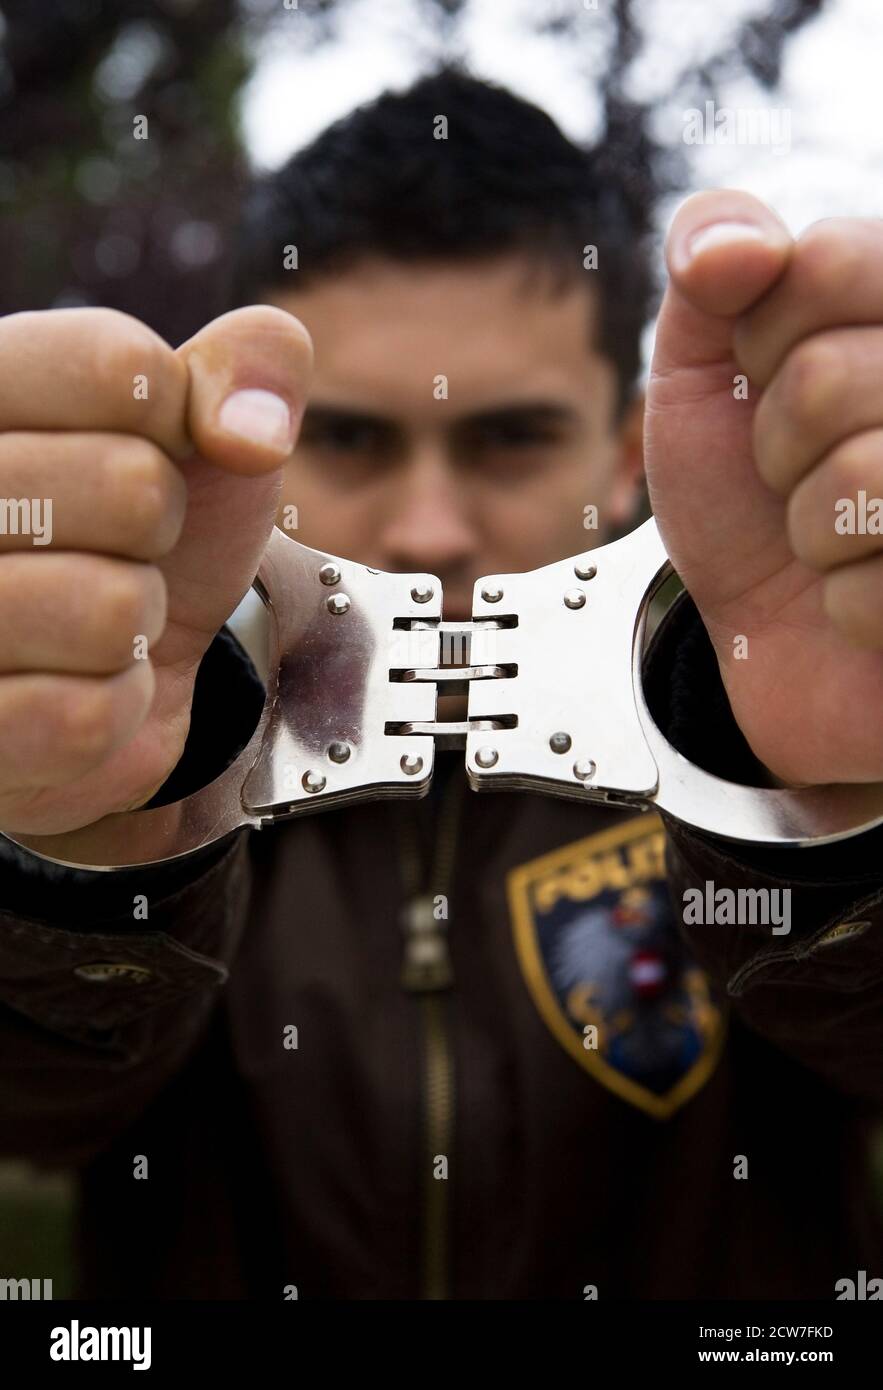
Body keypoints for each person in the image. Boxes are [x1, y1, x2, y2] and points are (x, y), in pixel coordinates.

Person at [0, 69, 881, 1301]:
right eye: (354, 439)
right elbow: (35, 1112)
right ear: (256, 449)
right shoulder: (132, 755)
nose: (425, 530)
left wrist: (824, 811)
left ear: (631, 452)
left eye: (509, 437)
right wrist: (85, 843)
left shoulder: (768, 750)